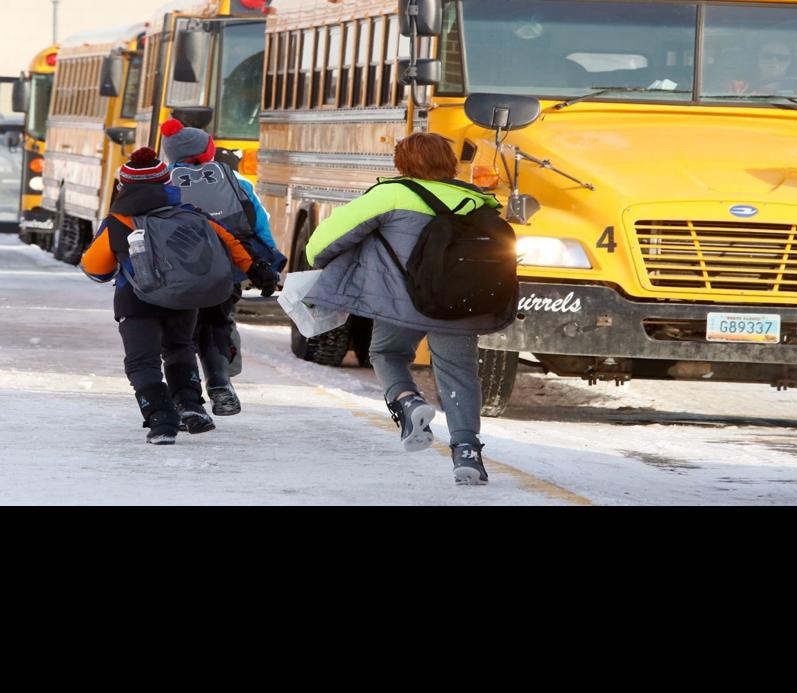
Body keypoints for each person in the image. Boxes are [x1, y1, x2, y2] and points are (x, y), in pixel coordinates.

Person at [304, 133, 509, 486]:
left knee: (386, 352)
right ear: (449, 162)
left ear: (402, 163)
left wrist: (317, 263)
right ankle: (467, 453)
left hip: (403, 304)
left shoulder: (391, 194)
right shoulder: (480, 202)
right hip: (460, 305)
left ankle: (408, 401)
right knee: (459, 375)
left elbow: (326, 240)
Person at [80, 148, 273, 444]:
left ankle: (161, 419)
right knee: (179, 347)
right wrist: (258, 270)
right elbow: (232, 242)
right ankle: (190, 405)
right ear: (166, 182)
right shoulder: (191, 214)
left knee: (142, 361)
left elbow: (96, 269)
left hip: (137, 301)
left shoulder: (119, 221)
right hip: (184, 300)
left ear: (124, 186)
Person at [159, 119, 284, 418]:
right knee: (217, 323)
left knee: (181, 333)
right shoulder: (235, 181)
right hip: (225, 270)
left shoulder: (163, 182)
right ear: (207, 152)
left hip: (179, 273)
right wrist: (267, 260)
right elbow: (258, 225)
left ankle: (186, 396)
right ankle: (219, 383)